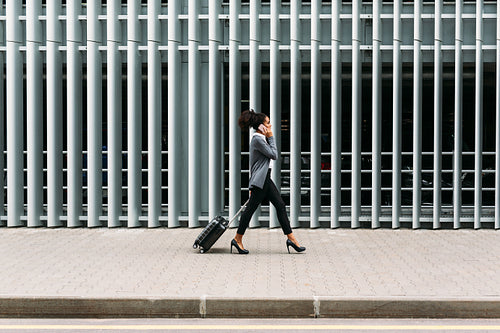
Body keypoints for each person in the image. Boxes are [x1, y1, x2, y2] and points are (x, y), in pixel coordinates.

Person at [231, 109, 306, 255]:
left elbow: (256, 164)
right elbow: (274, 155)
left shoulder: (259, 139)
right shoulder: (258, 139)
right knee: (252, 209)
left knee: (279, 206)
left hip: (264, 178)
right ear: (261, 126)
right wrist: (271, 137)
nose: (271, 126)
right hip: (262, 180)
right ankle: (237, 239)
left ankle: (291, 239)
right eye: (268, 123)